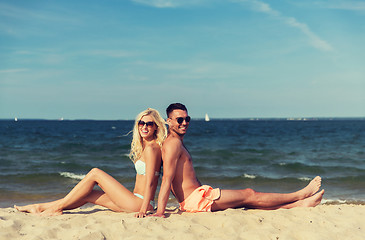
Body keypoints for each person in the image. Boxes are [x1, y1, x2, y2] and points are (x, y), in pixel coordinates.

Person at [154, 103, 324, 217]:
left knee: (246, 203)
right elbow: (167, 179)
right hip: (196, 201)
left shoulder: (176, 142)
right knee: (250, 194)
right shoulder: (172, 144)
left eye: (187, 119)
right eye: (179, 120)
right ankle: (299, 195)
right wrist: (160, 212)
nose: (184, 123)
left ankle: (299, 204)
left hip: (198, 197)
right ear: (169, 121)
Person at [15, 108, 167, 218]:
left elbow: (150, 182)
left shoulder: (152, 148)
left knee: (95, 173)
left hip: (139, 203)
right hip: (136, 201)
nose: (144, 127)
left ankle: (56, 208)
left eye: (149, 124)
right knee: (89, 194)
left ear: (156, 127)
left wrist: (143, 210)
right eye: (141, 123)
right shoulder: (149, 147)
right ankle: (38, 207)